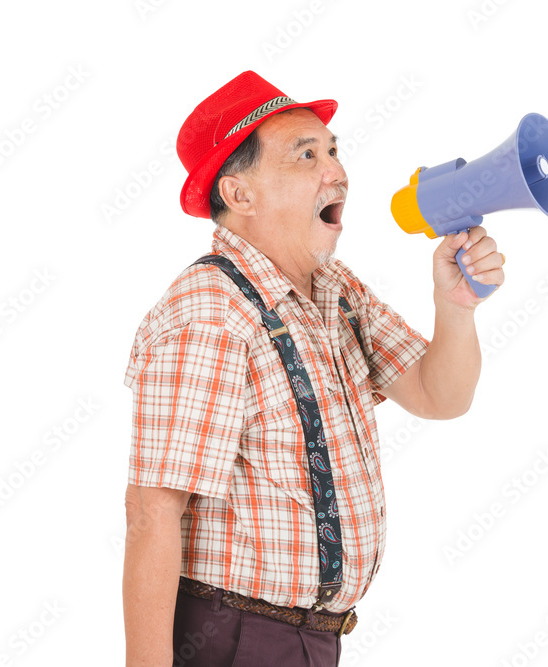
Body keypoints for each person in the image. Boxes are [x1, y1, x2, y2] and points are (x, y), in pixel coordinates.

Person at [121, 71, 505, 667]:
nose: (336, 171)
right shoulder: (209, 314)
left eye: (332, 150)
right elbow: (152, 512)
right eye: (306, 156)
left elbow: (438, 395)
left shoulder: (333, 288)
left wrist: (455, 307)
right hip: (235, 639)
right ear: (240, 194)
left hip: (310, 641)